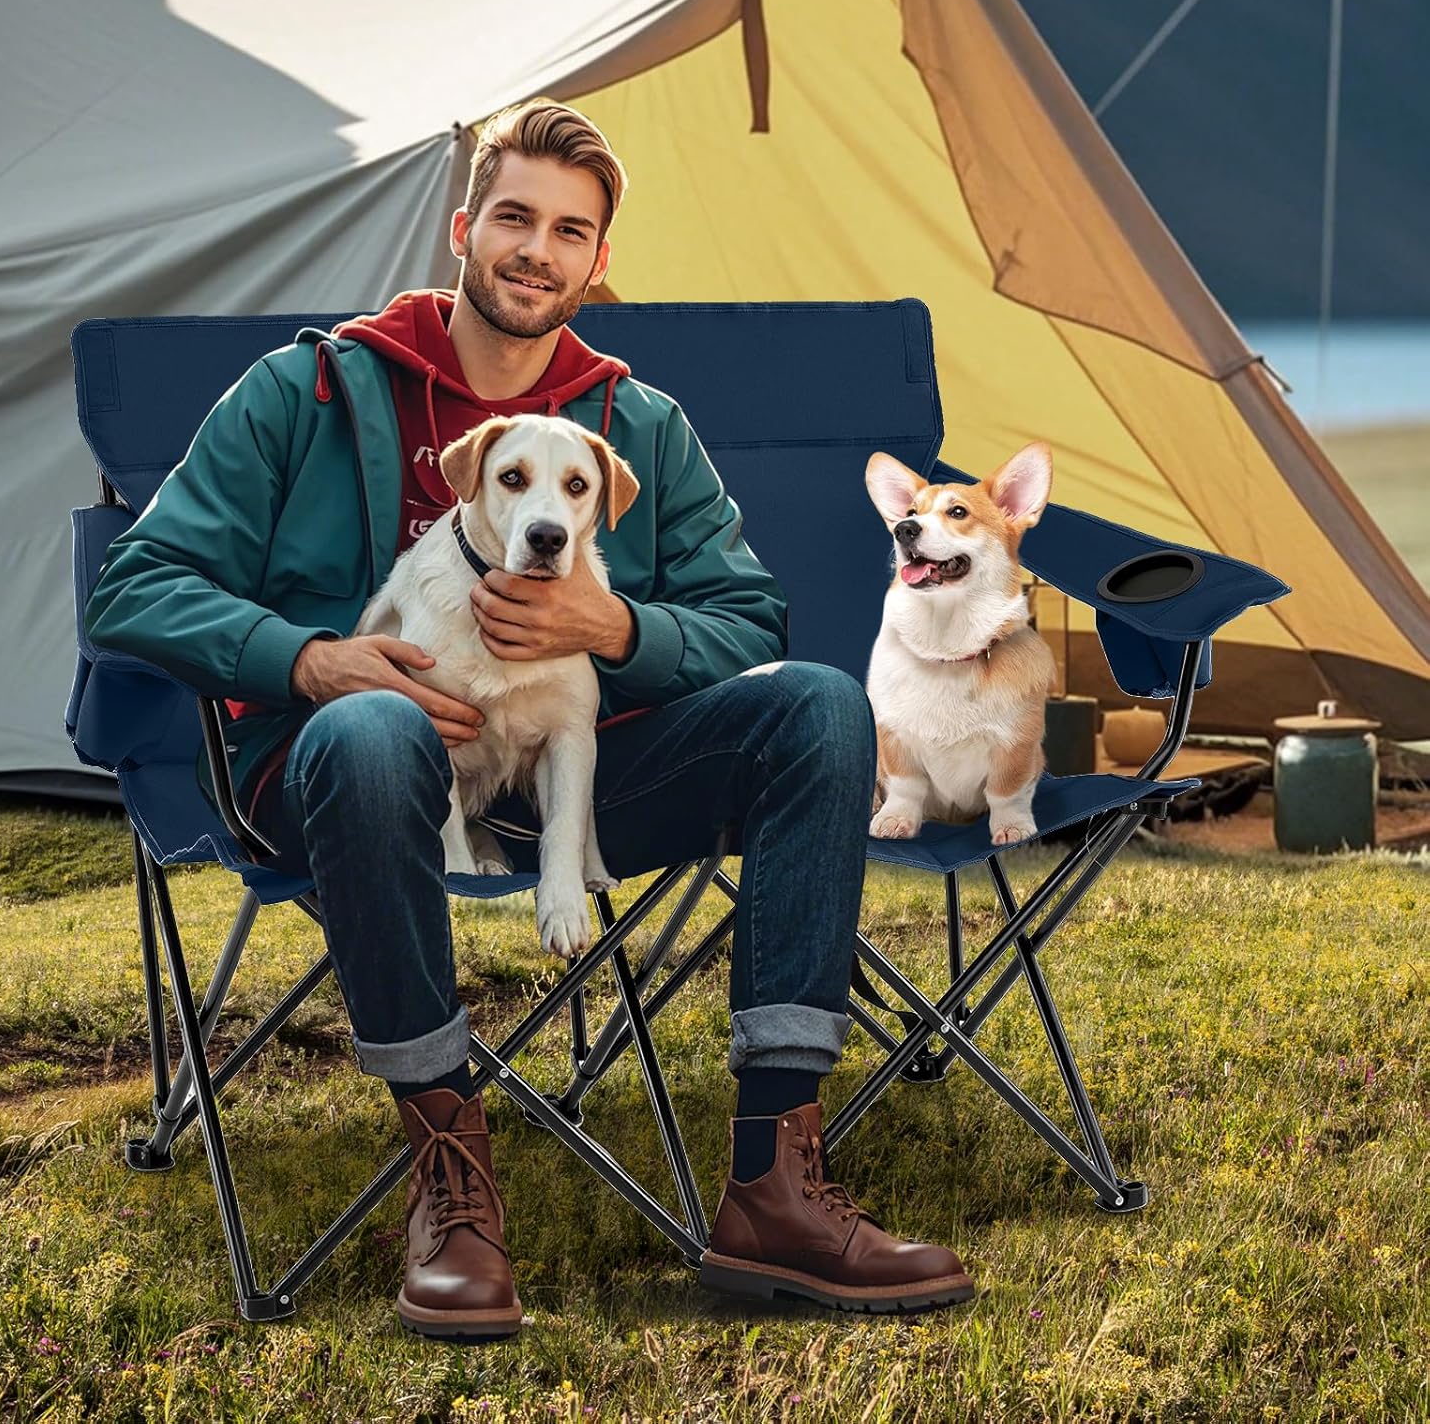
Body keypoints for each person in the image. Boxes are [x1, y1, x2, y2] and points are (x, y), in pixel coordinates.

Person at [85, 100, 972, 1339]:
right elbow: (136, 584)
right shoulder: (308, 391)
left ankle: (776, 1181)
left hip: (575, 774)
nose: (537, 251)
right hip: (339, 774)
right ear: (464, 231)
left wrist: (616, 629)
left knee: (818, 707)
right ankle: (450, 1178)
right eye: (515, 218)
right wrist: (311, 660)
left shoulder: (635, 426)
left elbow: (747, 619)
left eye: (570, 231)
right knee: (374, 733)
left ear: (597, 262)